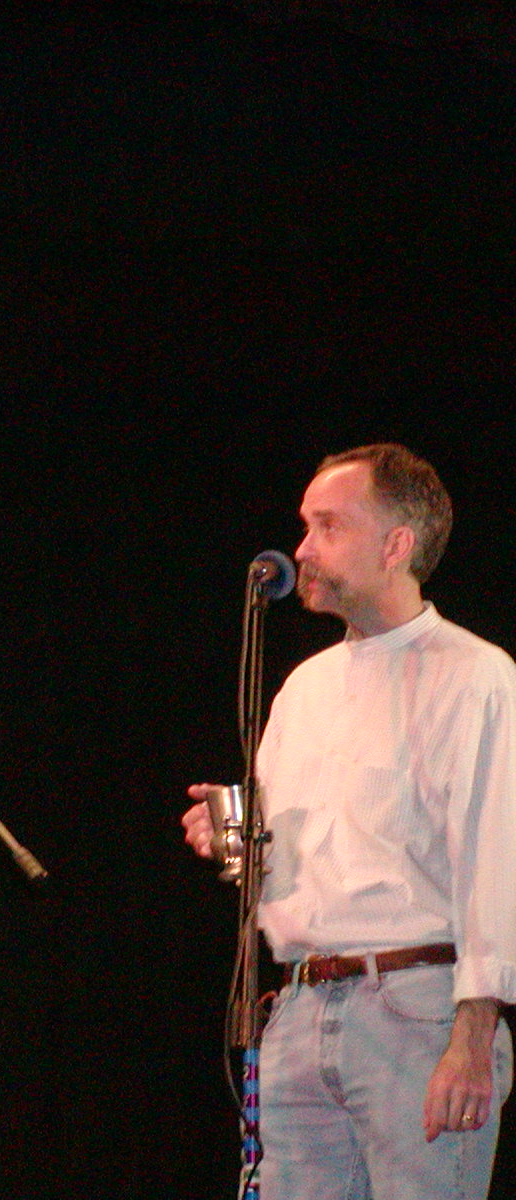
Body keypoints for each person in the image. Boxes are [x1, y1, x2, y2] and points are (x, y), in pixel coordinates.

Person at [182, 443, 516, 1199]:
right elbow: (296, 856)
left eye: (327, 527)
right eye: (304, 526)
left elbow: (495, 865)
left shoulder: (474, 676)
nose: (301, 550)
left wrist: (472, 1037)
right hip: (299, 1010)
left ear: (396, 545)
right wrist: (233, 841)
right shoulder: (303, 688)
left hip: (417, 1012)